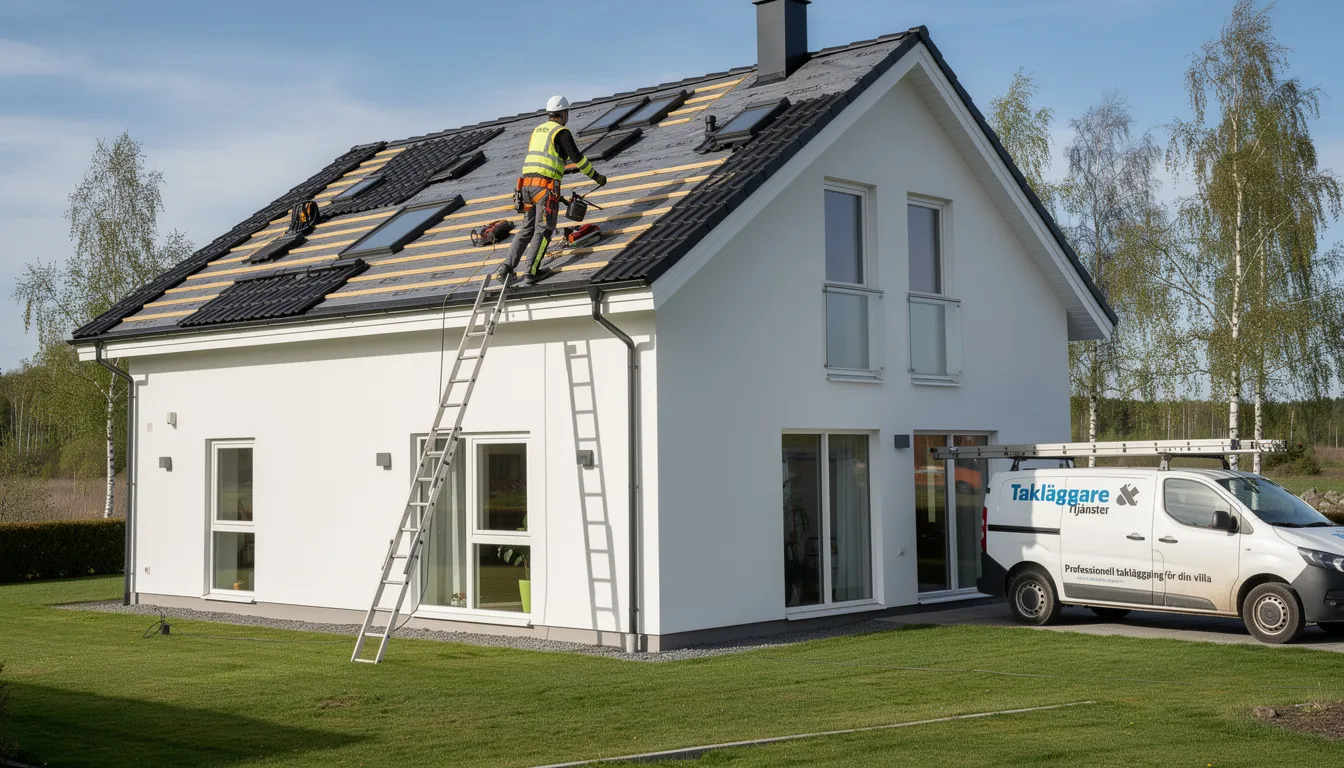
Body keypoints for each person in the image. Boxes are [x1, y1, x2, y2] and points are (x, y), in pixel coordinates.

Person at [499, 95, 608, 285]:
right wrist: (597, 177)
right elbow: (578, 159)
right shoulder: (561, 132)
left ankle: (505, 270)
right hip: (544, 188)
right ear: (563, 114)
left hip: (525, 187)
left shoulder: (537, 131)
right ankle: (532, 271)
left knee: (527, 228)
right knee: (544, 229)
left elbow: (541, 162)